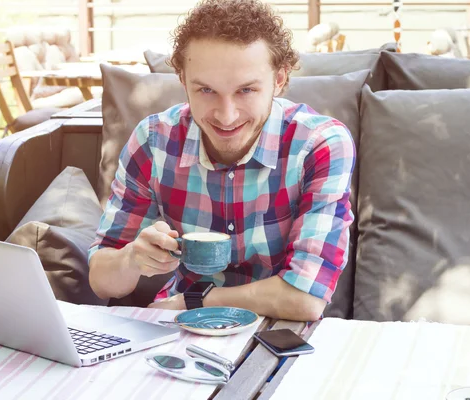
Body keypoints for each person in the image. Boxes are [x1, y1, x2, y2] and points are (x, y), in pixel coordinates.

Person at [88, 0, 355, 322]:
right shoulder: (154, 140)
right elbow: (102, 282)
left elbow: (306, 298)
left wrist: (194, 301)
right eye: (206, 90)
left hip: (281, 329)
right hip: (181, 328)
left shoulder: (320, 145)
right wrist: (131, 258)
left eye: (246, 90)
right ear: (182, 80)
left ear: (280, 79)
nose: (226, 116)